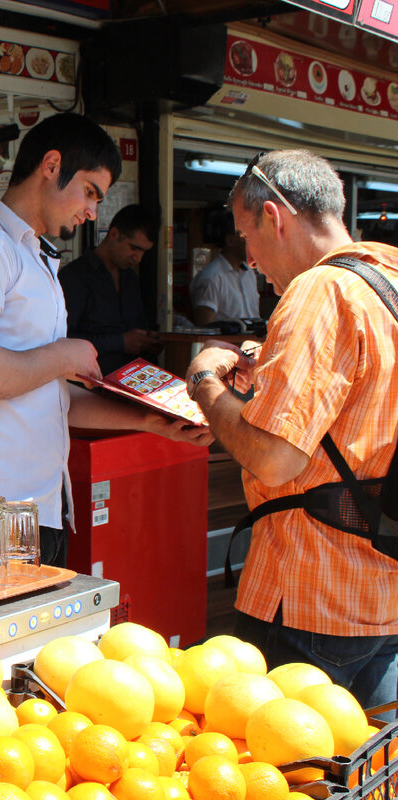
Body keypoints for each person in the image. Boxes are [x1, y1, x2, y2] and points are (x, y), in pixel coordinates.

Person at [0, 113, 211, 568]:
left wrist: (151, 421)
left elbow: (51, 399)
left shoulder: (34, 257)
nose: (93, 211)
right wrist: (63, 355)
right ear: (52, 166)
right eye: (91, 192)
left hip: (41, 509)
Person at [185, 149, 398, 709]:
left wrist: (206, 381)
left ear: (274, 217)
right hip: (384, 587)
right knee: (365, 768)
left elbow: (276, 459)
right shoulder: (387, 278)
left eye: (245, 235)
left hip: (309, 591)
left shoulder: (319, 291)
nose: (249, 259)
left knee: (280, 775)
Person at [59, 204, 162, 375]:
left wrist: (148, 342)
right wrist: (120, 342)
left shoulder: (130, 279)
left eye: (144, 252)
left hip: (135, 381)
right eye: (134, 248)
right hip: (90, 385)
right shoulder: (75, 277)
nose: (138, 258)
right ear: (114, 234)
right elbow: (62, 339)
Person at [190, 211, 260, 324]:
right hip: (226, 341)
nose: (252, 242)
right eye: (246, 237)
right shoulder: (212, 277)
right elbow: (204, 326)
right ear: (230, 240)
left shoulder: (250, 274)